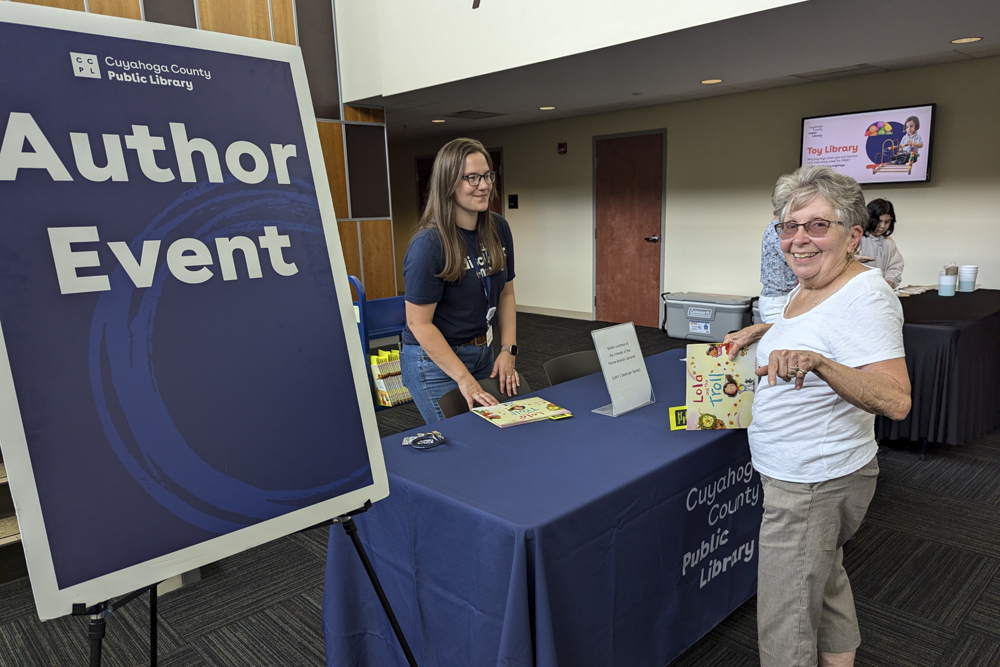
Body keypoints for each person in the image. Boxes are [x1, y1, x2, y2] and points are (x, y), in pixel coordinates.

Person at [723, 165, 911, 667]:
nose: (798, 239)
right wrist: (763, 331)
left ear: (852, 236)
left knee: (786, 619)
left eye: (816, 225)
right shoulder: (810, 283)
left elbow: (896, 399)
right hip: (810, 472)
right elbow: (821, 326)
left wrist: (821, 364)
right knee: (826, 577)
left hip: (811, 480)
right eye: (790, 226)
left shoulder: (869, 295)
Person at [401, 138, 519, 424]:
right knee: (461, 441)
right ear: (449, 183)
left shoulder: (498, 228)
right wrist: (464, 379)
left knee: (492, 432)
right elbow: (419, 323)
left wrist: (508, 350)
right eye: (472, 178)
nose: (484, 185)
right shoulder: (429, 244)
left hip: (483, 352)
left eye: (487, 175)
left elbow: (505, 294)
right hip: (434, 361)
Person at [857, 199, 904, 288]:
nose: (882, 226)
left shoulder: (889, 242)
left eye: (887, 222)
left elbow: (895, 266)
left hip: (881, 290)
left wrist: (890, 281)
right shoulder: (857, 239)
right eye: (878, 221)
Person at [759, 217, 798, 323]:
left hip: (783, 297)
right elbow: (795, 258)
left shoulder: (778, 226)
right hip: (776, 299)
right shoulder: (777, 229)